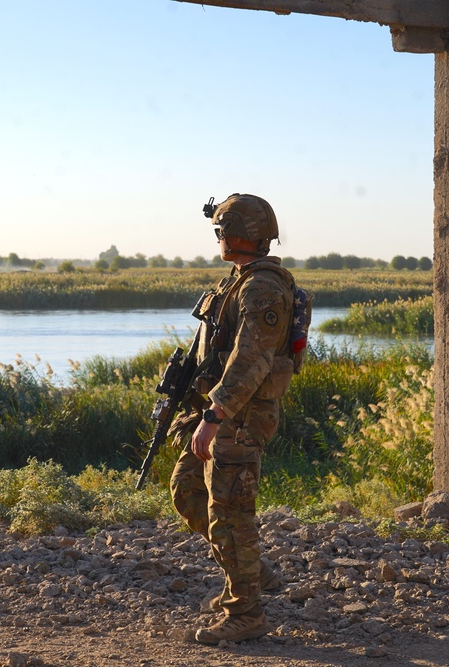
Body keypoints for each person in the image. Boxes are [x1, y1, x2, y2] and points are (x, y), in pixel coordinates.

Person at [170, 193, 298, 644]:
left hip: (239, 419)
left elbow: (251, 358)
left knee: (231, 513)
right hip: (220, 414)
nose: (218, 237)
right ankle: (252, 572)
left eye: (222, 230)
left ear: (242, 234)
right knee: (187, 491)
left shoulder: (263, 287)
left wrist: (215, 414)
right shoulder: (238, 281)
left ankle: (246, 611)